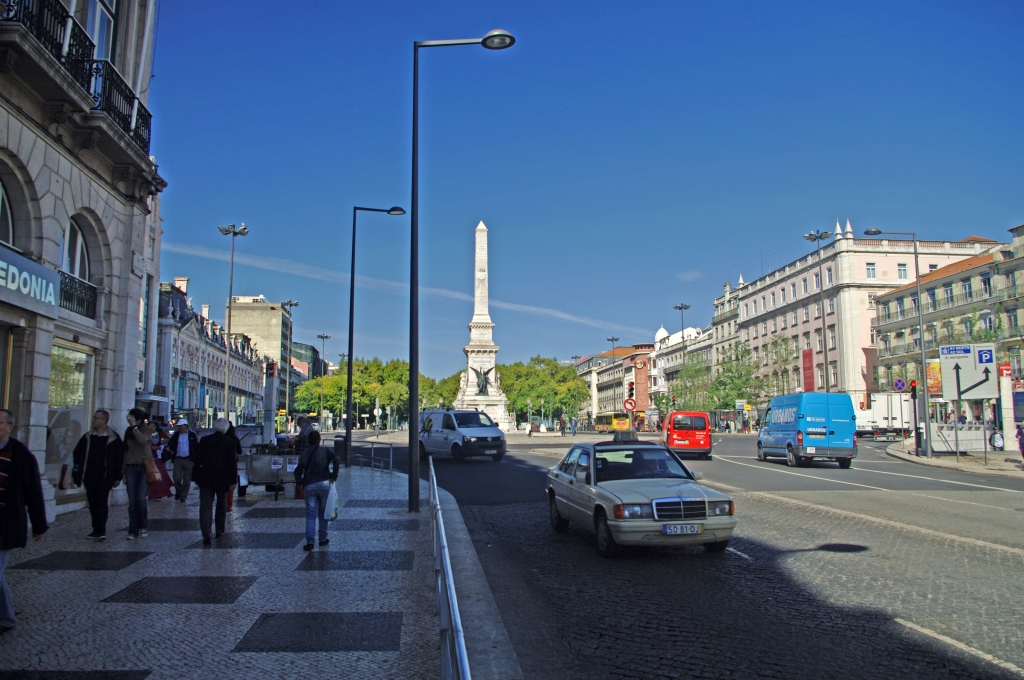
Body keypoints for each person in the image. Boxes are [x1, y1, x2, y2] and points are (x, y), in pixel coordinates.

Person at [0, 408, 47, 634]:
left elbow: (33, 493)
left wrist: (39, 526)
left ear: (9, 427)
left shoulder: (20, 455)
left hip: (5, 522)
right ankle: (6, 616)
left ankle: (6, 618)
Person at [71, 409, 123, 539]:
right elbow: (77, 453)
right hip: (89, 475)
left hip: (105, 476)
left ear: (104, 421)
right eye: (94, 417)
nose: (93, 420)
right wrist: (79, 469)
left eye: (96, 418)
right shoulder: (88, 437)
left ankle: (101, 530)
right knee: (93, 502)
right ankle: (95, 529)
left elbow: (119, 458)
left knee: (101, 501)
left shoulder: (113, 438)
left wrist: (118, 476)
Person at [294, 430, 341, 551]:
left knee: (310, 515)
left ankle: (310, 541)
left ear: (308, 441)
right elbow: (337, 459)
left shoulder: (304, 454)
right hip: (324, 483)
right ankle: (322, 539)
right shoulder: (325, 451)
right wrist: (334, 475)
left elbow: (297, 471)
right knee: (323, 514)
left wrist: (300, 482)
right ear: (319, 440)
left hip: (309, 485)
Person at [194, 418, 238, 546]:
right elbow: (232, 463)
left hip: (206, 478)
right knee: (221, 504)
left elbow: (197, 461)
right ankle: (219, 530)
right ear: (226, 429)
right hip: (223, 479)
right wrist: (233, 480)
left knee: (205, 506)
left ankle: (206, 533)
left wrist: (196, 477)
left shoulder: (204, 440)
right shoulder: (230, 442)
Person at [123, 408, 155, 540]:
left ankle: (143, 525)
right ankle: (133, 530)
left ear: (139, 420)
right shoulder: (128, 431)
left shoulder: (147, 429)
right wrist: (122, 472)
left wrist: (134, 427)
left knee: (141, 498)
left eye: (132, 419)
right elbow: (125, 451)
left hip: (144, 467)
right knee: (132, 501)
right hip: (130, 467)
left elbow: (142, 440)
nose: (129, 421)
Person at [166, 418, 199, 502]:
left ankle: (183, 496)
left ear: (186, 426)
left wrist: (195, 459)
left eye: (181, 426)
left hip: (188, 459)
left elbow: (196, 446)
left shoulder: (192, 435)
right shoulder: (176, 435)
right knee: (177, 478)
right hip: (178, 459)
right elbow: (171, 444)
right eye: (179, 426)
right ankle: (178, 491)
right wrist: (169, 449)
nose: (180, 427)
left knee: (187, 480)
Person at [224, 422, 243, 511]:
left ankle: (222, 503)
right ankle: (228, 505)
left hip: (220, 463)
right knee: (231, 484)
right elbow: (240, 451)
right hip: (232, 463)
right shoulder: (234, 439)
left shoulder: (220, 438)